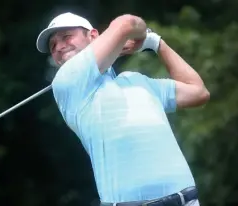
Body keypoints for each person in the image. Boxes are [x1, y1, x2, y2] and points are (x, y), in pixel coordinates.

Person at [36, 12, 210, 206]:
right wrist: (137, 37)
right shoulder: (66, 82)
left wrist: (155, 43)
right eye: (52, 46)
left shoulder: (136, 81)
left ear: (93, 36)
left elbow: (198, 92)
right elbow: (127, 24)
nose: (59, 47)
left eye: (66, 36)